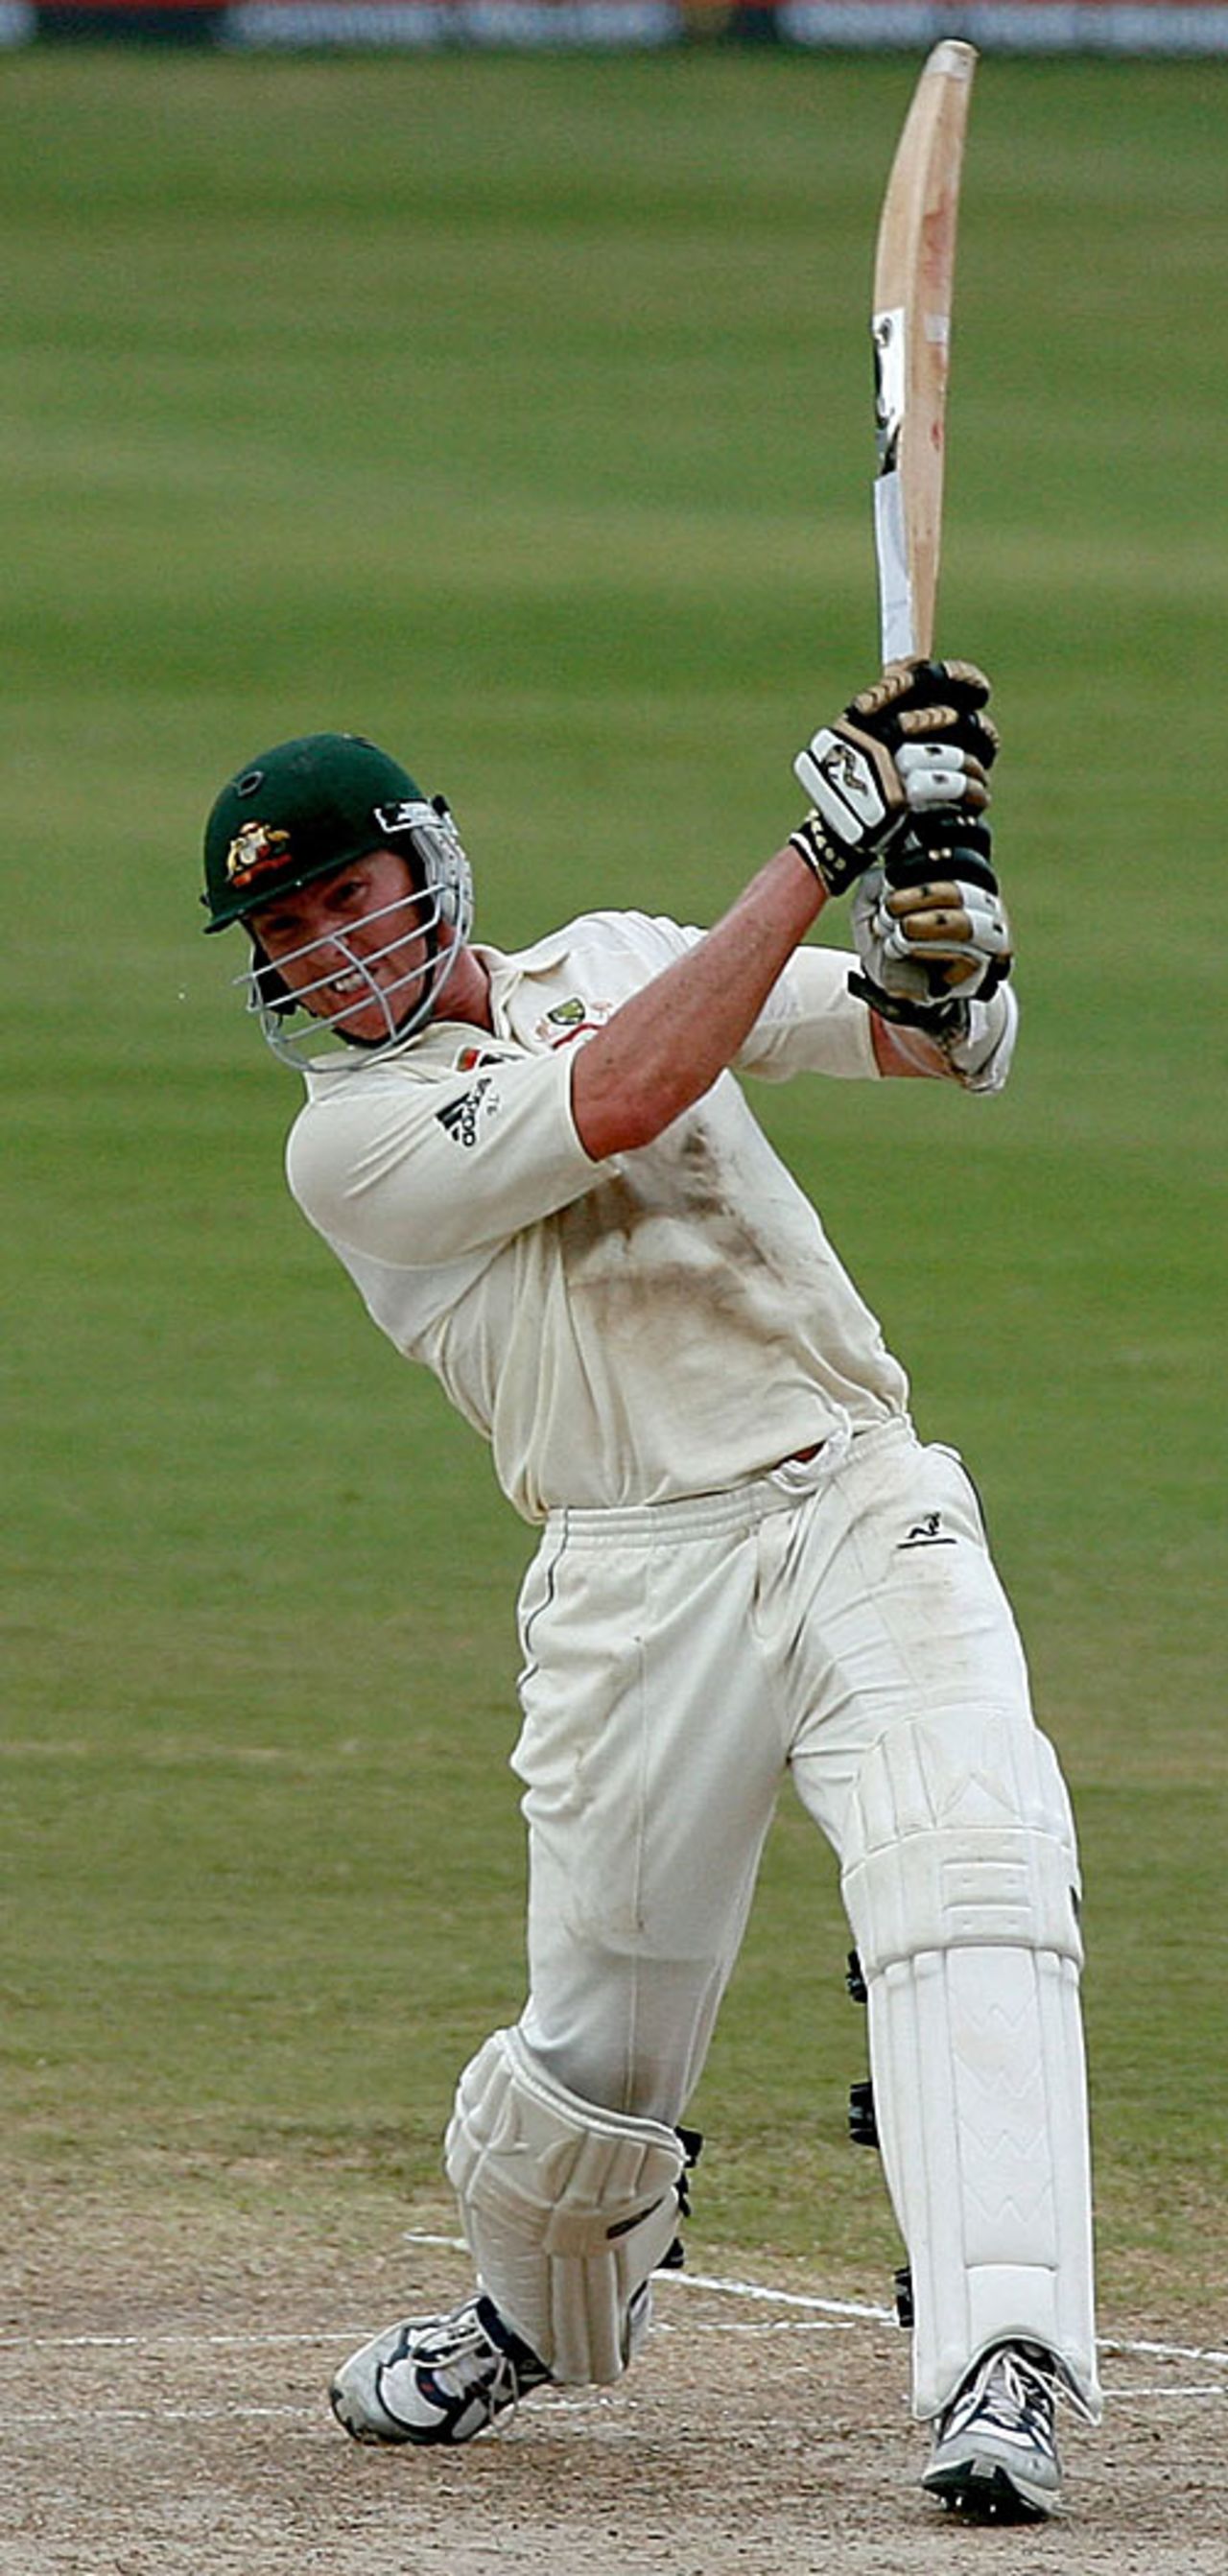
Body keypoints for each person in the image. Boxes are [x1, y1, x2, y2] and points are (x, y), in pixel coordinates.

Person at [201, 660, 1100, 2521]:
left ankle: (999, 2351)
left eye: (341, 897)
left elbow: (911, 1037)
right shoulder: (347, 1146)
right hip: (632, 1584)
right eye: (282, 931)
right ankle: (529, 2315)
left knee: (975, 1855)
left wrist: (936, 938)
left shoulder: (611, 947)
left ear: (428, 869)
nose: (321, 952)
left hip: (856, 1495)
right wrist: (818, 842)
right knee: (595, 2053)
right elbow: (622, 1090)